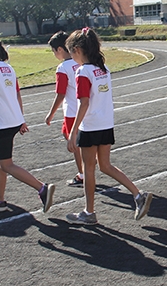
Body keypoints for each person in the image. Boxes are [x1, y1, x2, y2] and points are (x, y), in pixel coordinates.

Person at [65, 28, 152, 224]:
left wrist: (73, 132)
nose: (71, 57)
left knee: (89, 169)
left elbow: (84, 103)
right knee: (105, 165)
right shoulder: (103, 69)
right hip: (105, 124)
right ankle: (138, 194)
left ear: (78, 50)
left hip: (90, 126)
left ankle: (89, 212)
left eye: (71, 52)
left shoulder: (82, 72)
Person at [0, 32, 55, 213]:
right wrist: (21, 118)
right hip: (12, 120)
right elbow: (17, 94)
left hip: (2, 123)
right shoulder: (8, 69)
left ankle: (42, 188)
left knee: (6, 164)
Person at [45, 31, 84, 187]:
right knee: (67, 134)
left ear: (60, 49)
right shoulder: (81, 61)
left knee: (73, 143)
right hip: (83, 110)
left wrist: (50, 114)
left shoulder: (63, 67)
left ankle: (82, 174)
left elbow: (60, 94)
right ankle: (86, 167)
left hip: (72, 112)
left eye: (54, 51)